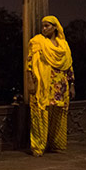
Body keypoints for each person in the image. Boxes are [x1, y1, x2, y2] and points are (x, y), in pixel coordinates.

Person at [26, 15, 75, 157]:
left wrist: (72, 85)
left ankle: (55, 144)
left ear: (55, 27)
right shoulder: (37, 42)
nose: (44, 29)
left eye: (47, 26)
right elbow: (29, 64)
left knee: (58, 115)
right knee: (40, 114)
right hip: (43, 85)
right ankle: (38, 147)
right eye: (43, 26)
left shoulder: (64, 45)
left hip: (60, 85)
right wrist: (30, 82)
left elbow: (69, 66)